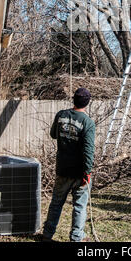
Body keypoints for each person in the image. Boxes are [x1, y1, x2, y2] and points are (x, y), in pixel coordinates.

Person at [42, 87, 95, 242]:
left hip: (62, 169)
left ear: (74, 99)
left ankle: (47, 234)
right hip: (79, 173)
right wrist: (87, 172)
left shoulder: (61, 115)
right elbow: (88, 151)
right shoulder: (88, 122)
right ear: (87, 102)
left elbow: (53, 134)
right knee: (79, 206)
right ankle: (76, 238)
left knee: (56, 204)